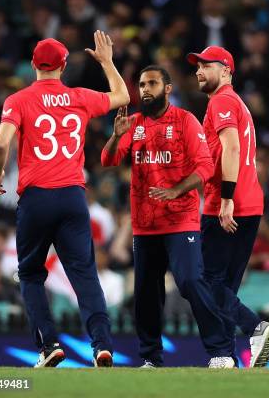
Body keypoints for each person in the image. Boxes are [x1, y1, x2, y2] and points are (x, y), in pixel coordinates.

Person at [0, 31, 130, 368]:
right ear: (63, 66)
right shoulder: (79, 96)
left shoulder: (18, 100)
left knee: (31, 274)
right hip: (72, 196)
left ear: (34, 65)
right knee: (84, 275)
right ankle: (101, 346)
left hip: (36, 197)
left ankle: (49, 344)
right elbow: (122, 95)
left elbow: (0, 144)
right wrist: (107, 62)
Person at [101, 65, 235, 368]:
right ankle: (151, 358)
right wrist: (114, 137)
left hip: (180, 220)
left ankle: (220, 352)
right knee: (146, 294)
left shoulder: (186, 121)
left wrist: (177, 190)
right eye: (141, 85)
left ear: (168, 89)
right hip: (145, 224)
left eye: (152, 84)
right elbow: (108, 160)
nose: (145, 90)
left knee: (189, 281)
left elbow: (205, 167)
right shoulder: (132, 123)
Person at [186, 46, 269, 367]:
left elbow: (232, 148)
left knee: (204, 281)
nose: (198, 71)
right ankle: (225, 357)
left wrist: (226, 198)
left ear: (226, 70)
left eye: (205, 66)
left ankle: (255, 328)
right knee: (225, 287)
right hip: (250, 204)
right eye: (197, 66)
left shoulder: (222, 100)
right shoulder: (237, 102)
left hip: (228, 204)